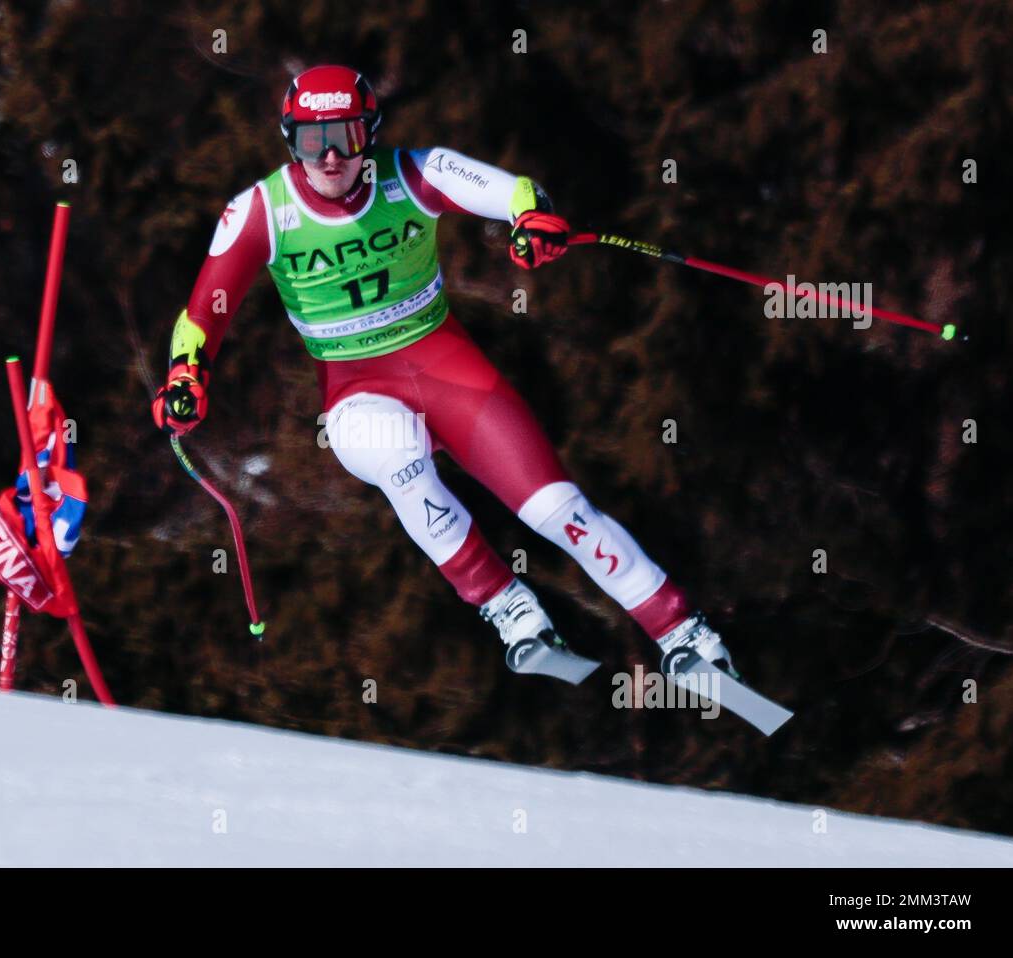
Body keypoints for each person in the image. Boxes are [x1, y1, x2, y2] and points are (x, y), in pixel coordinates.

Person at [152, 64, 735, 682]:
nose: (328, 158)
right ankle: (506, 604)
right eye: (310, 140)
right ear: (288, 140)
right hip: (356, 392)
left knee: (556, 509)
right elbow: (202, 313)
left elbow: (513, 191)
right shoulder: (261, 211)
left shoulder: (413, 174)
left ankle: (683, 631)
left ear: (368, 134)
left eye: (344, 137)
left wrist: (531, 218)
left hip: (448, 371)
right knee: (402, 461)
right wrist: (187, 374)